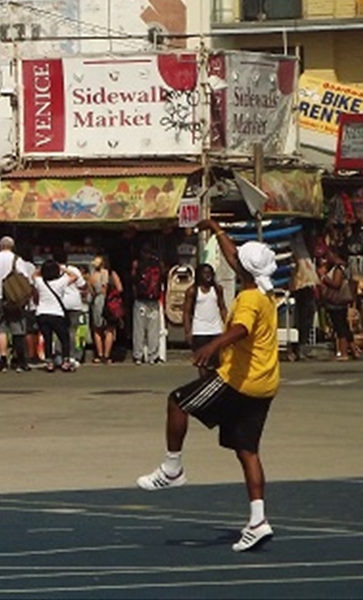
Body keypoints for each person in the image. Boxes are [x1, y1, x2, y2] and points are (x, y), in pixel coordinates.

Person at [136, 217, 280, 553]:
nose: (233, 259)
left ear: (244, 269)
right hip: (265, 383)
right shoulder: (264, 291)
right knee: (247, 451)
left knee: (177, 401)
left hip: (238, 381)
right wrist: (216, 228)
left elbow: (241, 329)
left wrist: (213, 345)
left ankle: (172, 468)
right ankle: (258, 521)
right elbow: (234, 256)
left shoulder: (249, 299)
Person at [0, 236, 32, 373]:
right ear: (12, 246)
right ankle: (20, 361)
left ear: (0, 246)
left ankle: (3, 360)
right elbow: (25, 278)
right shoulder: (17, 260)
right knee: (18, 330)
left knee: (1, 330)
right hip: (14, 299)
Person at [182, 263, 228, 378]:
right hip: (200, 331)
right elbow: (186, 312)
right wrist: (187, 332)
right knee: (202, 362)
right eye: (205, 273)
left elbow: (222, 308)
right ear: (199, 275)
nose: (208, 276)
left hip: (216, 330)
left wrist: (227, 325)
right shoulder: (192, 291)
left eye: (210, 273)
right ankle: (203, 383)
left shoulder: (217, 289)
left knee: (217, 362)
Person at [33, 258, 79, 372]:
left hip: (42, 313)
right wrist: (62, 268)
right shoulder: (61, 282)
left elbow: (33, 275)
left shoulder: (40, 282)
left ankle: (49, 362)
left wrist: (41, 269)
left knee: (47, 339)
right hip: (57, 314)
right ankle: (66, 361)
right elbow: (74, 276)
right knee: (64, 338)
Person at [319, 246, 359, 360]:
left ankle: (343, 352)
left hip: (337, 301)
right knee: (344, 326)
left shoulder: (338, 269)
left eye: (329, 254)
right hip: (340, 301)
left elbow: (336, 284)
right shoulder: (342, 267)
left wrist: (323, 278)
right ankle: (353, 349)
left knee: (339, 326)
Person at [132, 244, 165, 364]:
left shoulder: (137, 263)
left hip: (140, 299)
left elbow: (133, 280)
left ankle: (138, 355)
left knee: (139, 329)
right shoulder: (158, 263)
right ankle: (153, 355)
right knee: (153, 329)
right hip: (154, 300)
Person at [56, 251, 87, 367]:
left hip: (59, 304)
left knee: (59, 331)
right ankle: (72, 356)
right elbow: (82, 285)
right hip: (74, 303)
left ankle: (59, 356)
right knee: (72, 331)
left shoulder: (52, 270)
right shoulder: (73, 270)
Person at [88, 255, 120, 364]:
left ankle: (99, 354)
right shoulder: (111, 274)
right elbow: (120, 288)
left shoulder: (92, 276)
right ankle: (107, 356)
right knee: (109, 330)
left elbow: (91, 293)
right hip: (110, 302)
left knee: (97, 329)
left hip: (97, 302)